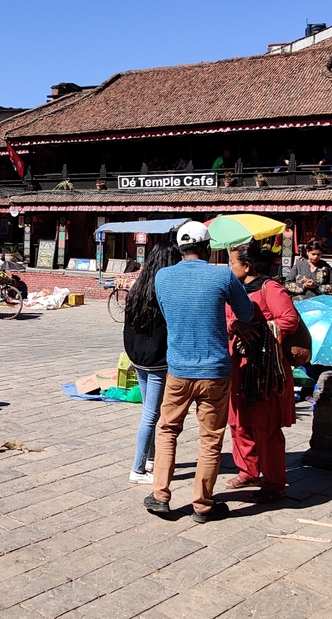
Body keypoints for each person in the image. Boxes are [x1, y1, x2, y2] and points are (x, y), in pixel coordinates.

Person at [143, 221, 257, 524]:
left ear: (181, 248)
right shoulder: (222, 274)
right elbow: (247, 313)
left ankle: (160, 495)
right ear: (208, 247)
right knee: (211, 438)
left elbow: (169, 315)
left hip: (178, 369)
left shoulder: (163, 276)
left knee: (167, 430)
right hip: (215, 370)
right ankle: (203, 504)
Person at [224, 243, 309, 503]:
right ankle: (248, 470)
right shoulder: (232, 291)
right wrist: (234, 325)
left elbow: (288, 319)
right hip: (238, 366)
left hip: (265, 368)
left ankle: (274, 483)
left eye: (232, 263)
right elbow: (222, 318)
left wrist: (257, 330)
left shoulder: (270, 288)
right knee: (238, 423)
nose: (229, 268)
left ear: (247, 266)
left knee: (266, 426)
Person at [123, 241, 179, 484]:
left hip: (139, 357)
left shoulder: (138, 288)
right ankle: (137, 469)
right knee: (151, 414)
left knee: (149, 410)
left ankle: (150, 458)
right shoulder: (167, 289)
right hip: (156, 359)